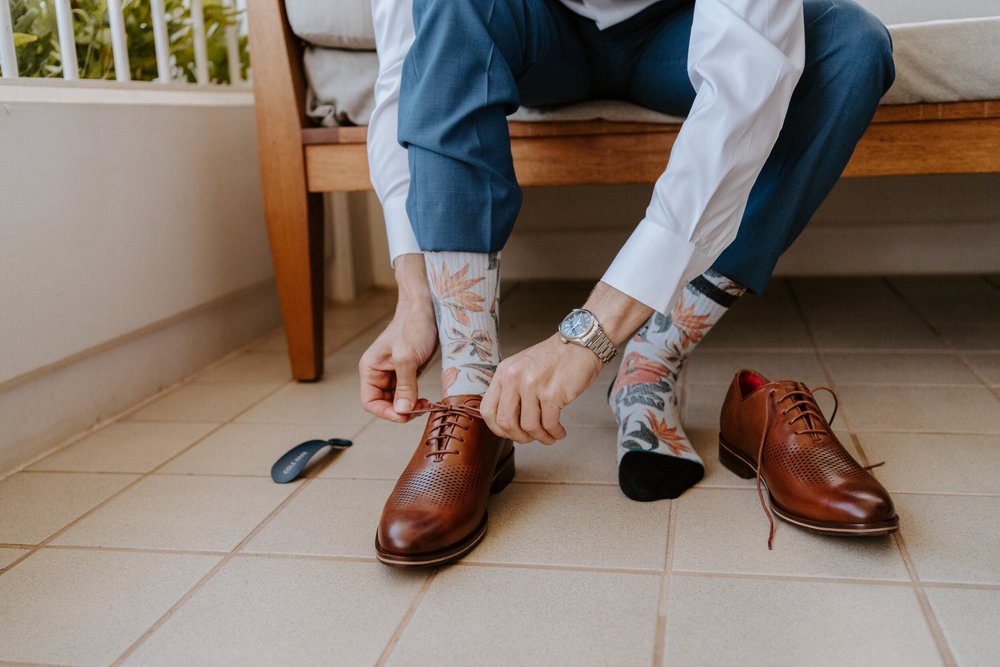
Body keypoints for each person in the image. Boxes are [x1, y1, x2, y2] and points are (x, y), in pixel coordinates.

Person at [359, 0, 895, 566]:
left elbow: (748, 84)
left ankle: (650, 362)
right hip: (537, 27)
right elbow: (407, 70)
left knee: (852, 43)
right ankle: (469, 393)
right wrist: (415, 294)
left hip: (676, 28)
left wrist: (589, 336)